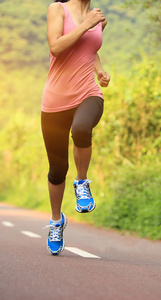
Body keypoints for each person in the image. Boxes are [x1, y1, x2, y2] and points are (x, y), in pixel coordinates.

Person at [41, 0, 110, 255]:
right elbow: (56, 47)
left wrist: (100, 71)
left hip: (88, 93)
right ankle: (56, 221)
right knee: (57, 170)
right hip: (55, 102)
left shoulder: (98, 17)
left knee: (81, 129)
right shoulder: (57, 9)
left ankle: (82, 183)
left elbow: (88, 50)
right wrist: (86, 25)